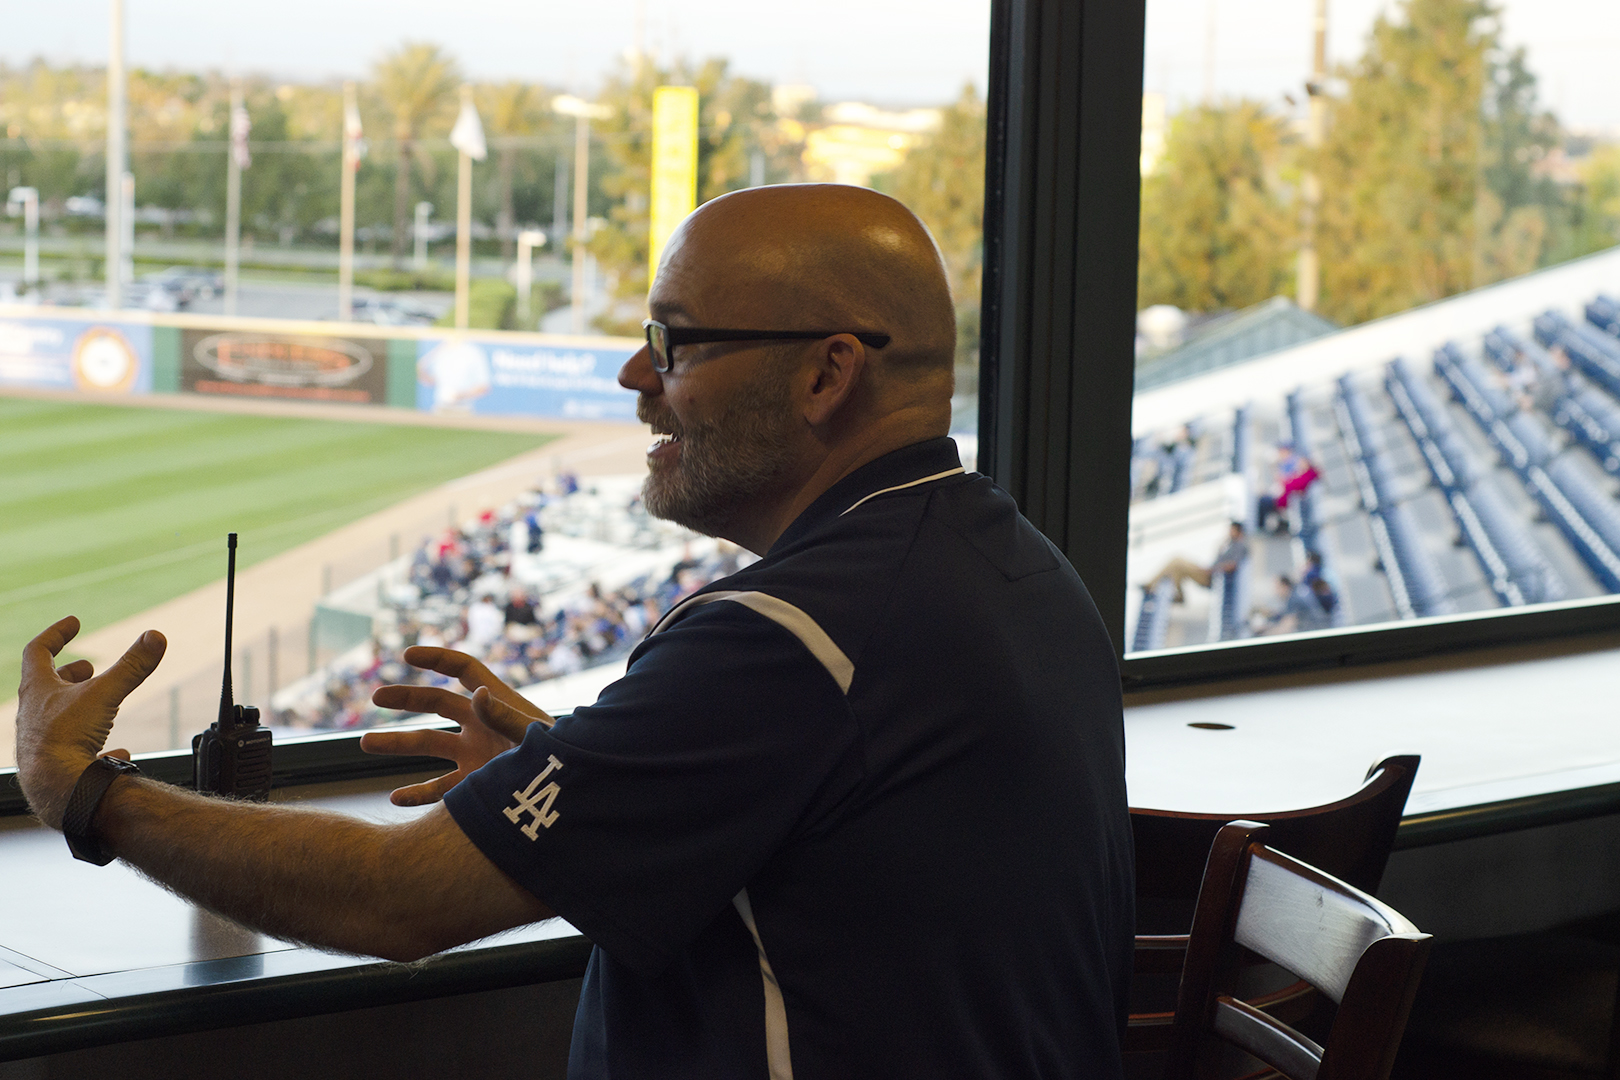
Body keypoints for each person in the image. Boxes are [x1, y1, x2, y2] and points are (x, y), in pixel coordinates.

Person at [14, 184, 1133, 1079]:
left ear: (826, 373)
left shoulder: (795, 637)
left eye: (676, 342)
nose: (634, 376)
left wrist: (88, 794)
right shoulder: (1018, 566)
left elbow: (397, 901)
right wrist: (598, 780)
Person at [1143, 520, 1248, 603]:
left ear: (1238, 531)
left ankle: (1151, 585)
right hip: (1209, 572)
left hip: (1211, 577)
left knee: (1177, 561)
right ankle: (1178, 596)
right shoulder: (1230, 543)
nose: (1229, 532)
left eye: (1232, 530)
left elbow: (1233, 565)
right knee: (1177, 568)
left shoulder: (1240, 546)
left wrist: (1212, 570)